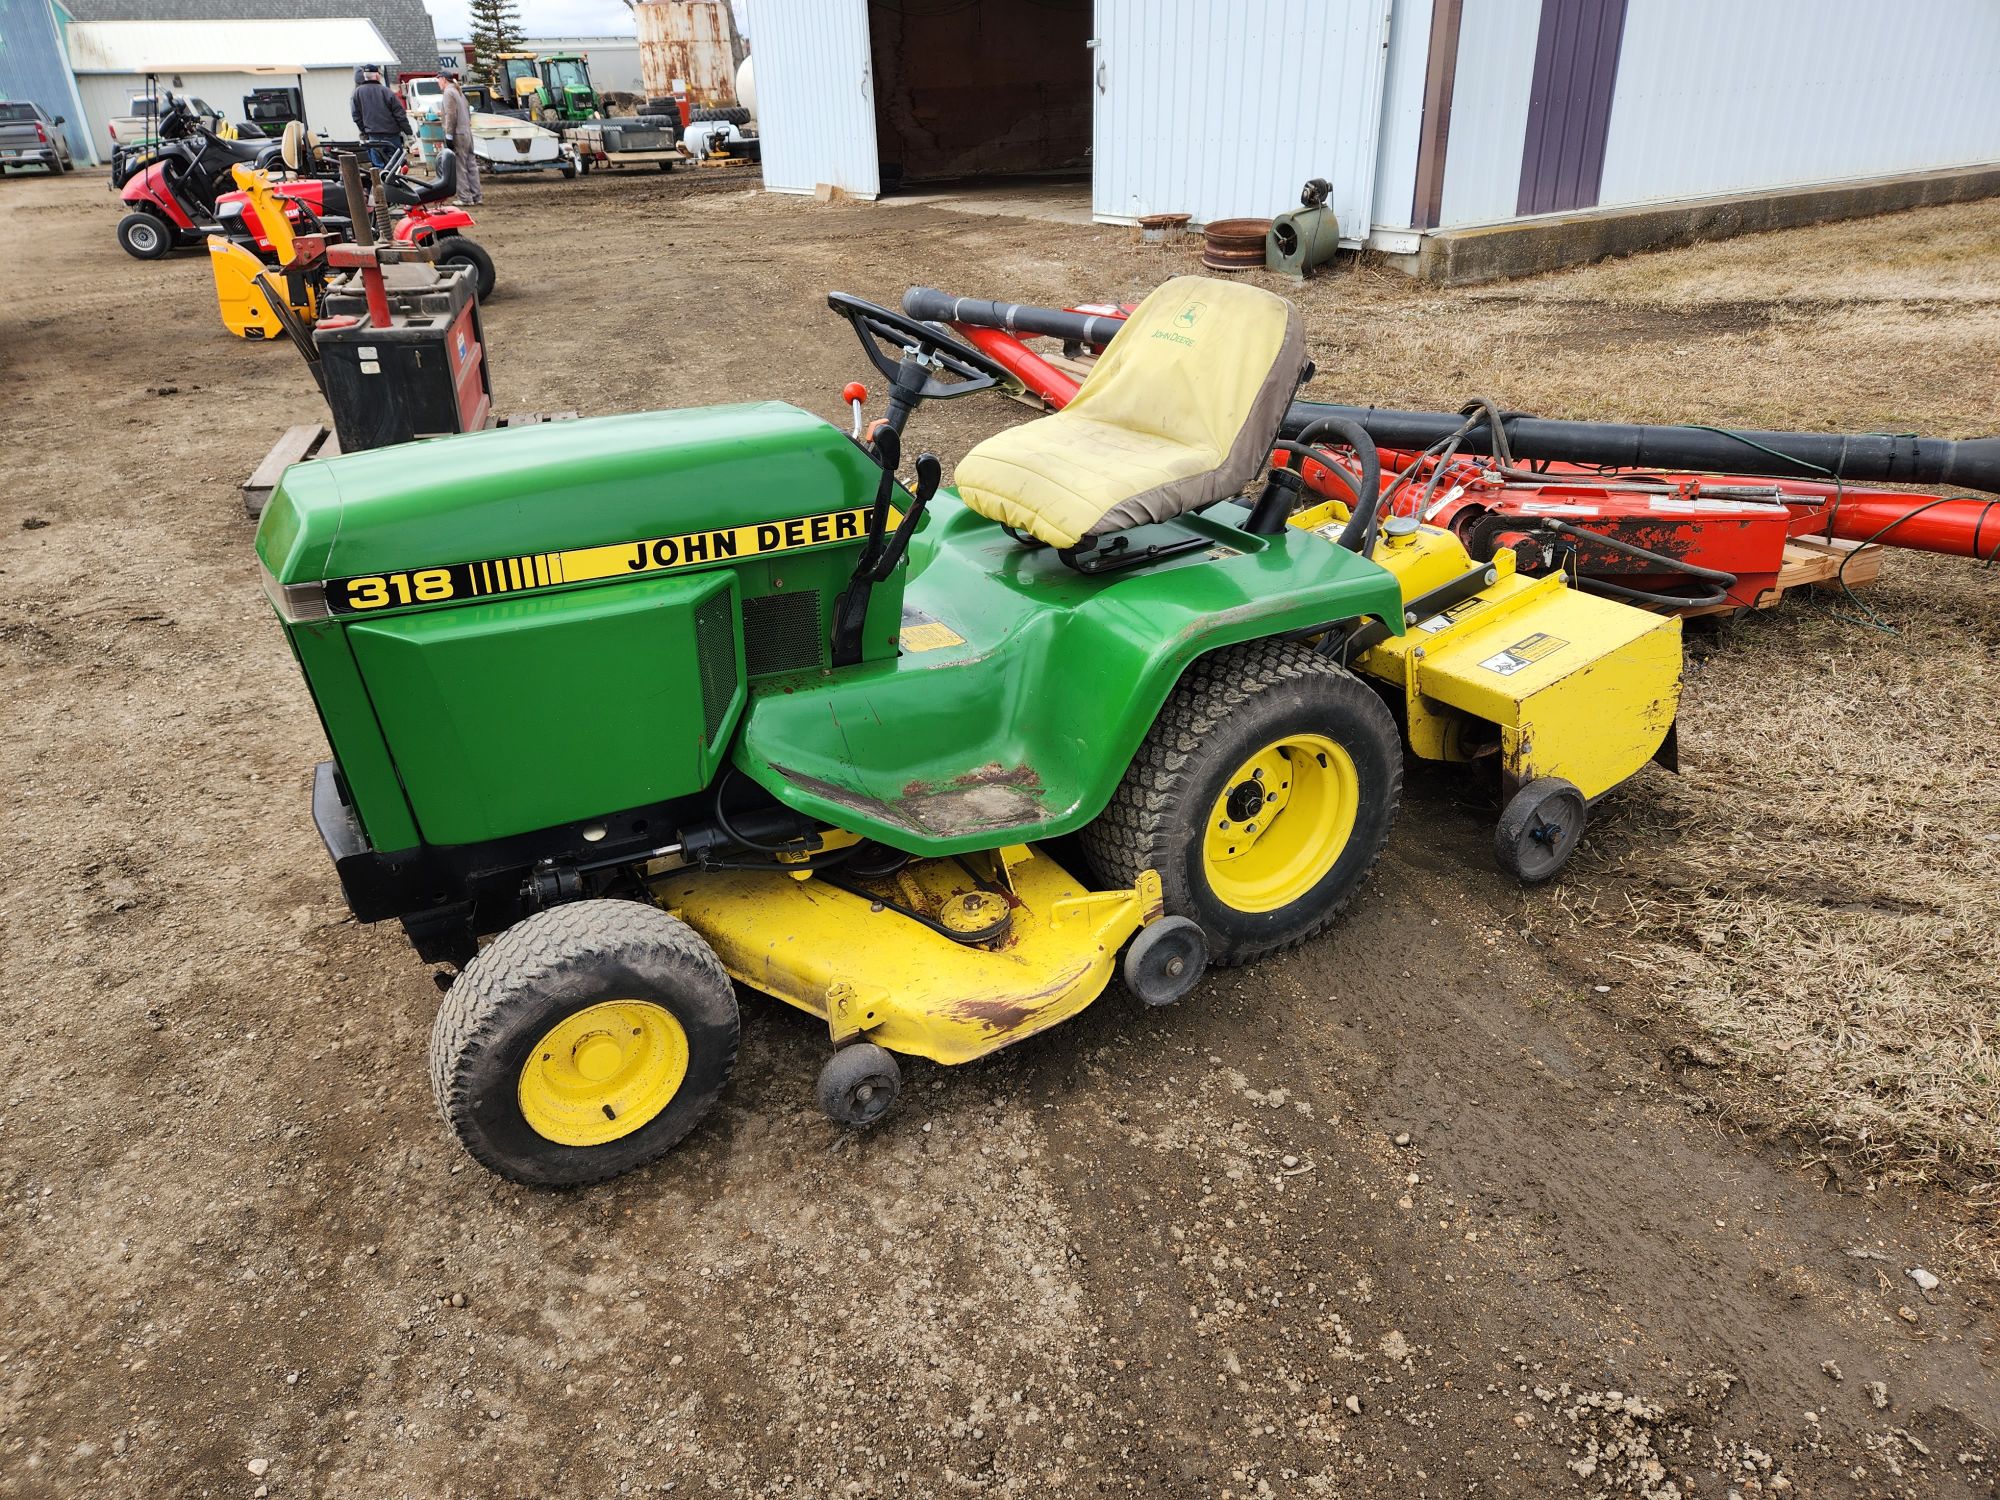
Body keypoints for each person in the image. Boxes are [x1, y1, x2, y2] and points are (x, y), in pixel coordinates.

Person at [350, 65, 410, 170]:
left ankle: (382, 185)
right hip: (392, 136)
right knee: (396, 166)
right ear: (377, 76)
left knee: (379, 168)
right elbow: (400, 115)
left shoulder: (357, 93)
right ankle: (397, 184)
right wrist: (408, 132)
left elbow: (356, 116)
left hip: (373, 136)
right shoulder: (387, 92)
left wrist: (366, 131)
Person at [437, 67, 481, 207]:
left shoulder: (448, 93)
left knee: (459, 165)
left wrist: (449, 135)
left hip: (457, 134)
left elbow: (451, 115)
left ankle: (465, 198)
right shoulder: (458, 91)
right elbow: (467, 112)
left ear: (443, 79)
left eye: (438, 80)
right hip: (467, 132)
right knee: (471, 165)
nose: (438, 83)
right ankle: (476, 195)